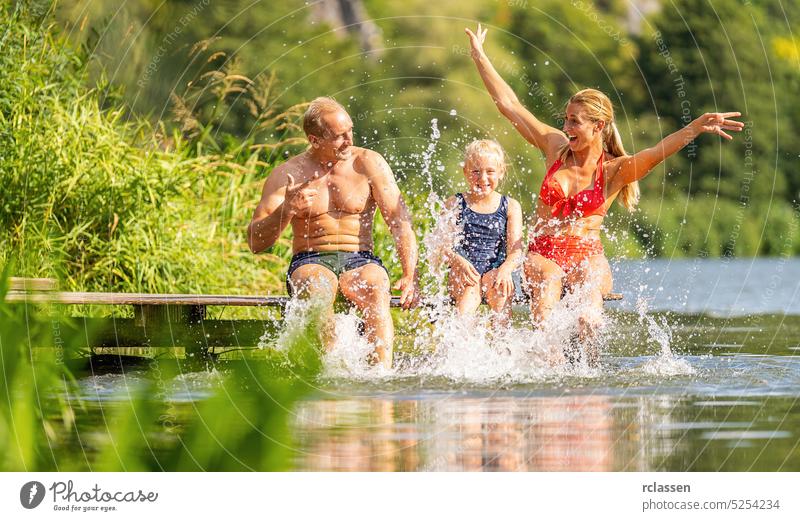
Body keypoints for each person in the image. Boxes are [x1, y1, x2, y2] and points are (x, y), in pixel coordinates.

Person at [465, 24, 743, 354]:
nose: (566, 127)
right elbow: (509, 104)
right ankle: (547, 377)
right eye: (566, 119)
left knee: (589, 319)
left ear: (598, 126)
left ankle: (590, 387)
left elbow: (654, 154)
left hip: (587, 254)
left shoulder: (614, 171)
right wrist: (480, 57)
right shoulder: (555, 148)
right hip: (543, 253)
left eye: (574, 122)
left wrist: (695, 128)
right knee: (547, 298)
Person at [247, 97, 420, 368]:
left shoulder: (368, 163)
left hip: (360, 259)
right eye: (339, 136)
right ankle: (328, 377)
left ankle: (380, 378)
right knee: (317, 288)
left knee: (376, 286)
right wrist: (287, 209)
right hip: (311, 259)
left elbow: (399, 221)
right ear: (315, 140)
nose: (349, 140)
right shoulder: (288, 174)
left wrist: (410, 275)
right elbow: (255, 242)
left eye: (350, 130)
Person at [442, 139, 523, 326]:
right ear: (465, 172)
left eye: (490, 171)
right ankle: (462, 346)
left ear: (501, 172)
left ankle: (500, 346)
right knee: (467, 302)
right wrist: (459, 262)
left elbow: (516, 251)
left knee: (500, 289)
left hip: (495, 270)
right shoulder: (455, 204)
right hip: (464, 270)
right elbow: (444, 247)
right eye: (476, 171)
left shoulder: (510, 206)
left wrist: (505, 269)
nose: (483, 178)